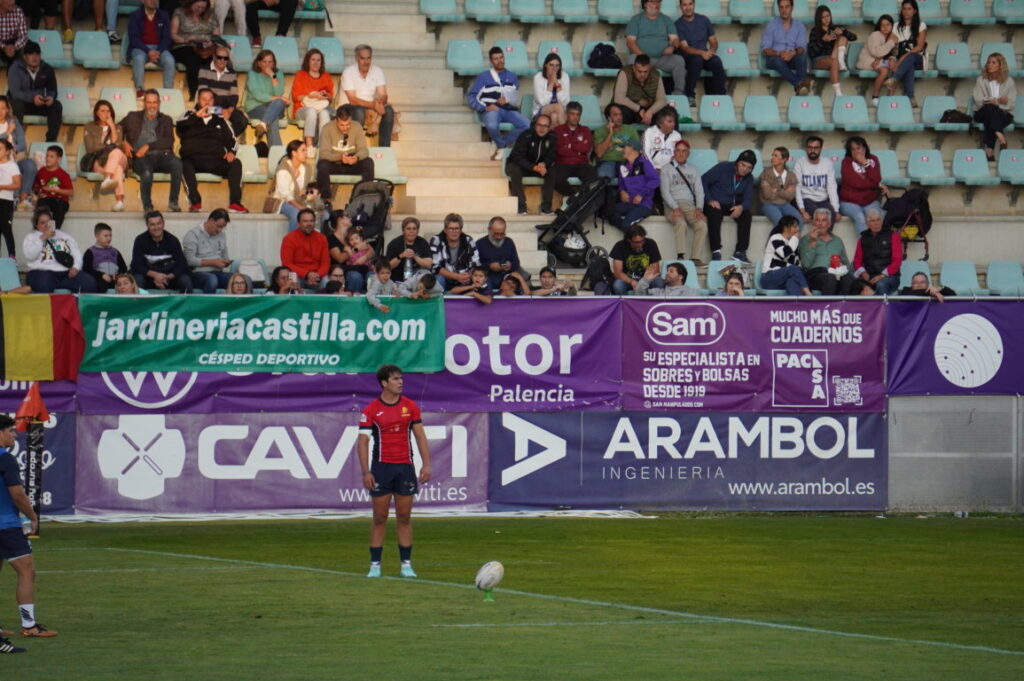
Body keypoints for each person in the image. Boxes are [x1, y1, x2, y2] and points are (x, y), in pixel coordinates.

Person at [358, 364, 431, 578]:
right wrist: (366, 472)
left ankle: (406, 565)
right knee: (380, 517)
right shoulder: (371, 410)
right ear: (384, 383)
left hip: (405, 468)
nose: (401, 382)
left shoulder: (410, 407)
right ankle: (375, 566)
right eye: (396, 379)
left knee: (404, 516)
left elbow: (419, 436)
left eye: (401, 378)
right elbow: (362, 443)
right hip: (381, 469)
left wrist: (426, 464)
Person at [0, 414, 57, 653]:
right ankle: (29, 625)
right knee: (27, 572)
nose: (15, 435)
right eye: (11, 431)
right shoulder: (6, 459)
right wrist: (33, 516)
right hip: (6, 526)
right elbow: (17, 495)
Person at [177, 87, 248, 214]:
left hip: (215, 160)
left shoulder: (220, 119)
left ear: (214, 102)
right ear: (198, 101)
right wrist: (196, 117)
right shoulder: (188, 115)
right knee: (183, 164)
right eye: (204, 99)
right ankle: (195, 202)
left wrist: (232, 152)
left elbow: (233, 142)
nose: (207, 102)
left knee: (236, 164)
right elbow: (180, 127)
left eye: (210, 99)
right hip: (193, 159)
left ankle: (235, 203)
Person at [121, 89, 183, 213]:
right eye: (149, 102)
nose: (152, 105)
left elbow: (168, 141)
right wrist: (123, 142)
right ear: (144, 103)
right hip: (140, 158)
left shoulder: (166, 119)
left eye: (154, 102)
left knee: (177, 163)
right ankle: (148, 207)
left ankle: (173, 202)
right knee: (147, 172)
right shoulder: (132, 117)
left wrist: (148, 146)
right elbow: (118, 128)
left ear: (159, 103)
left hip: (162, 156)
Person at [467, 46, 530, 159]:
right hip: (492, 110)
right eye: (496, 58)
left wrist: (508, 99)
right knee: (491, 125)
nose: (500, 61)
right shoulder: (484, 77)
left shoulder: (512, 77)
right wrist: (484, 107)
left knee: (528, 125)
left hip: (508, 110)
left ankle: (500, 143)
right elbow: (471, 97)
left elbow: (514, 97)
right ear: (491, 61)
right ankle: (502, 144)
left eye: (501, 57)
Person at [22, 207, 96, 292]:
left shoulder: (64, 236)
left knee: (89, 282)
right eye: (42, 223)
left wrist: (76, 267)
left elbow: (77, 253)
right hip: (42, 272)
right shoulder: (31, 237)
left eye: (48, 222)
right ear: (36, 225)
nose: (46, 225)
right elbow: (30, 256)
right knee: (44, 283)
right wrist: (42, 238)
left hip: (65, 274)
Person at [625, 0, 687, 98]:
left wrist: (672, 47)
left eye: (658, 2)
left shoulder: (666, 20)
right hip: (642, 57)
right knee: (632, 59)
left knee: (679, 60)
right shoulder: (636, 20)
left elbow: (675, 39)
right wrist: (643, 56)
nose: (656, 5)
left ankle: (678, 95)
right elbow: (630, 42)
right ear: (645, 4)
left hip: (662, 58)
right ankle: (634, 94)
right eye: (653, 2)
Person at [702, 150, 755, 262]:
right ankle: (716, 251)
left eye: (749, 167)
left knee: (746, 215)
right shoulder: (723, 167)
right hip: (715, 202)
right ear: (737, 163)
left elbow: (749, 200)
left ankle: (740, 252)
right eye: (743, 165)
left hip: (733, 205)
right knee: (714, 213)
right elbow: (703, 180)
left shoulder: (749, 178)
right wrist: (709, 199)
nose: (745, 169)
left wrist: (741, 207)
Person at [659, 139, 707, 264]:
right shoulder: (666, 169)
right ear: (674, 152)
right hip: (672, 205)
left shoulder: (693, 170)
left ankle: (695, 257)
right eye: (678, 151)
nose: (681, 154)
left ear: (688, 154)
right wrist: (675, 207)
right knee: (681, 223)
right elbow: (665, 192)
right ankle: (680, 256)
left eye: (684, 151)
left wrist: (699, 208)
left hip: (689, 205)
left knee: (702, 225)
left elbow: (699, 191)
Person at [340, 45, 395, 148]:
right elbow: (353, 100)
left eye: (368, 58)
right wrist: (374, 105)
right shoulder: (348, 72)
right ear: (356, 58)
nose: (366, 62)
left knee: (389, 111)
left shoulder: (377, 71)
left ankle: (384, 149)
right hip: (348, 106)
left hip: (369, 106)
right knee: (359, 111)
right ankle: (354, 147)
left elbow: (384, 94)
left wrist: (381, 102)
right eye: (362, 58)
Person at [6, 41, 61, 142]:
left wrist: (50, 97)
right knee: (16, 104)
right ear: (24, 56)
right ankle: (17, 139)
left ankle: (50, 141)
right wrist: (32, 98)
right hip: (22, 103)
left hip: (39, 103)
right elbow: (15, 93)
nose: (35, 57)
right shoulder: (15, 68)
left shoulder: (47, 68)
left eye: (37, 54)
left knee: (56, 106)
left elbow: (52, 89)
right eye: (31, 54)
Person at [674, 0, 726, 105]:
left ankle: (720, 95)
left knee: (716, 61)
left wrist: (711, 51)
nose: (688, 7)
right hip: (687, 56)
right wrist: (702, 53)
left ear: (694, 5)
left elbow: (713, 41)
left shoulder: (704, 20)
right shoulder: (677, 24)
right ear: (680, 7)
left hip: (704, 53)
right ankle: (689, 96)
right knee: (696, 60)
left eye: (690, 4)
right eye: (684, 5)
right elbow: (685, 48)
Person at [316, 107, 374, 201]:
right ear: (336, 121)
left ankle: (363, 196)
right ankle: (326, 198)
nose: (345, 128)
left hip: (352, 162)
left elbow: (364, 150)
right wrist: (339, 157)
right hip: (335, 163)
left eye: (348, 124)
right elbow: (323, 154)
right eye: (342, 125)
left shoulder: (357, 126)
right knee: (322, 165)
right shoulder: (327, 128)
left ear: (351, 119)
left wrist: (356, 157)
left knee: (368, 162)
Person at [82, 99, 129, 212]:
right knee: (117, 168)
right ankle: (119, 201)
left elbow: (117, 144)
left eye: (108, 111)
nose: (106, 114)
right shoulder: (89, 127)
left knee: (116, 152)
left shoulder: (118, 127)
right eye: (102, 111)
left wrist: (112, 126)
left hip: (118, 158)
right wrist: (109, 146)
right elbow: (90, 148)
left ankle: (108, 178)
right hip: (99, 161)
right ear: (96, 113)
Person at [505, 113, 556, 215]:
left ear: (549, 127)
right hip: (520, 165)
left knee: (552, 171)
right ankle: (521, 206)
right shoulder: (526, 135)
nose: (542, 129)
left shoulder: (552, 137)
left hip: (537, 167)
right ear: (535, 125)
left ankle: (546, 207)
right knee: (515, 170)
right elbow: (517, 157)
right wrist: (533, 167)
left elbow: (552, 155)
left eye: (545, 126)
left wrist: (544, 164)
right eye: (539, 125)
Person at [131, 210, 193, 292]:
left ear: (163, 223)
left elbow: (182, 264)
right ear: (147, 225)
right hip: (149, 277)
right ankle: (141, 305)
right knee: (138, 280)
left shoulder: (172, 240)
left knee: (185, 281)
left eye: (158, 223)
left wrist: (168, 276)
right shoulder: (140, 240)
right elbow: (136, 264)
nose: (156, 227)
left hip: (169, 278)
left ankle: (185, 305)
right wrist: (155, 275)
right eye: (152, 224)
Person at [170, 0, 220, 100]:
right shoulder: (180, 13)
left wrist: (211, 42)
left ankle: (212, 94)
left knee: (215, 59)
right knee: (193, 59)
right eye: (197, 7)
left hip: (204, 46)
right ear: (191, 3)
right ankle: (194, 93)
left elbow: (216, 35)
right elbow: (173, 34)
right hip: (183, 45)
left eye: (203, 8)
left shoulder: (210, 15)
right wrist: (186, 40)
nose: (200, 10)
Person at [197, 43, 248, 138]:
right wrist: (221, 110)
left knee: (242, 120)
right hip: (207, 106)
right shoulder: (204, 69)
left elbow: (234, 95)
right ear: (214, 57)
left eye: (226, 58)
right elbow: (204, 94)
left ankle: (225, 139)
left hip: (226, 106)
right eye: (220, 57)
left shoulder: (231, 73)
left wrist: (229, 110)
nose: (223, 60)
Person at [798, 208, 854, 295]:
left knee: (848, 278)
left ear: (829, 224)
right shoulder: (805, 239)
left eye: (824, 220)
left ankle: (844, 307)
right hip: (815, 275)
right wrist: (813, 241)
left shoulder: (837, 240)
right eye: (817, 220)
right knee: (829, 278)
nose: (820, 223)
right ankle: (828, 307)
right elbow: (806, 265)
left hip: (835, 274)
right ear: (813, 223)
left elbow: (846, 262)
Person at [127, 0, 176, 98]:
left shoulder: (164, 15)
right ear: (143, 1)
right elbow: (133, 39)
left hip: (159, 48)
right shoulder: (135, 15)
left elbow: (166, 38)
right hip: (140, 47)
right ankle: (140, 90)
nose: (153, 1)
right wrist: (148, 51)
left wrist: (158, 51)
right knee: (139, 58)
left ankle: (168, 92)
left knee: (170, 60)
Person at [973, 53, 1016, 161]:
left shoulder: (1009, 81)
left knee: (992, 112)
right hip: (982, 112)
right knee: (990, 109)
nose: (989, 65)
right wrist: (998, 101)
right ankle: (1000, 137)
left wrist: (995, 102)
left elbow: (1011, 103)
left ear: (1000, 65)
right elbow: (978, 100)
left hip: (1004, 114)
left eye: (993, 63)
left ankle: (990, 151)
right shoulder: (981, 80)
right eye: (988, 62)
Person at [761, 0, 809, 95]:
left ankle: (800, 90)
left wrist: (793, 53)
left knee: (801, 57)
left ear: (792, 8)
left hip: (792, 57)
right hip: (775, 58)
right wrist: (779, 53)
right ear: (778, 9)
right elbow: (765, 50)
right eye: (781, 7)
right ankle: (800, 85)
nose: (784, 10)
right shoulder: (772, 25)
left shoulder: (799, 26)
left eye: (787, 7)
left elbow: (802, 47)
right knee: (777, 61)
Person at [839, 136, 886, 234]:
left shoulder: (873, 159)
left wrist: (865, 163)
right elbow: (855, 183)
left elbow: (877, 178)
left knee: (876, 218)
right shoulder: (846, 162)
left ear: (864, 148)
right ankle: (866, 246)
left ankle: (878, 246)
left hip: (869, 200)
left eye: (858, 148)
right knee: (860, 217)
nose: (856, 152)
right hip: (850, 201)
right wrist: (874, 184)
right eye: (853, 149)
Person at [807, 5, 856, 98]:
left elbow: (854, 37)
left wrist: (843, 32)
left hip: (833, 57)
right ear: (819, 19)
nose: (826, 19)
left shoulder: (834, 28)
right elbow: (812, 53)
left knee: (842, 38)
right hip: (819, 60)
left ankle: (841, 62)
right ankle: (838, 94)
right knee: (833, 61)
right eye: (823, 17)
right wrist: (823, 40)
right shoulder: (815, 31)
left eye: (828, 16)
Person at [551, 101, 596, 200]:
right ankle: (575, 195)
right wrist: (578, 149)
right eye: (572, 114)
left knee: (593, 176)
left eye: (578, 114)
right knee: (555, 179)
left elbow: (586, 148)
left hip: (581, 164)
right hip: (563, 163)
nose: (575, 117)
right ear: (567, 115)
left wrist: (569, 145)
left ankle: (580, 196)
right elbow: (560, 150)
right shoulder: (558, 130)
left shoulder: (585, 130)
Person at [292, 48, 334, 152]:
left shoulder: (326, 76)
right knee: (311, 111)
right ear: (308, 61)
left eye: (318, 60)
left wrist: (325, 95)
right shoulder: (300, 74)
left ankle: (322, 146)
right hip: (302, 108)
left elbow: (330, 98)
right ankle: (309, 146)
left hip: (320, 107)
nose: (315, 63)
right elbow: (296, 97)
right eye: (313, 60)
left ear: (322, 62)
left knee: (325, 113)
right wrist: (311, 96)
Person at [852, 208, 901, 295]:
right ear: (867, 224)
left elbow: (897, 261)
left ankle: (881, 309)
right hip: (870, 277)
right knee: (854, 286)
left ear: (882, 221)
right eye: (873, 221)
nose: (876, 223)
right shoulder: (863, 238)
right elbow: (857, 261)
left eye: (878, 220)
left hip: (890, 277)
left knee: (881, 285)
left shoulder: (893, 236)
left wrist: (882, 276)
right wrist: (863, 273)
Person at [245, 49, 289, 148]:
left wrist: (272, 76)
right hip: (256, 107)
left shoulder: (279, 74)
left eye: (270, 62)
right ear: (259, 63)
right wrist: (278, 98)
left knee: (277, 104)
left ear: (274, 64)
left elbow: (279, 92)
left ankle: (263, 124)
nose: (267, 65)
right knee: (272, 119)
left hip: (275, 107)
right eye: (264, 62)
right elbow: (257, 95)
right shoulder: (252, 74)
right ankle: (277, 154)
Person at [613, 139, 659, 231]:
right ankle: (632, 235)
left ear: (633, 149)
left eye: (625, 147)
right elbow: (621, 183)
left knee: (626, 225)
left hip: (643, 205)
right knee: (608, 212)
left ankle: (635, 238)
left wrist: (641, 195)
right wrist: (622, 191)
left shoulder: (644, 163)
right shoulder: (623, 165)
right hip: (629, 204)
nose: (623, 150)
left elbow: (655, 180)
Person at [183, 207, 231, 293]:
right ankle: (207, 306)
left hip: (218, 272)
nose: (220, 230)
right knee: (212, 280)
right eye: (218, 226)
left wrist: (226, 262)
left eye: (223, 227)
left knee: (241, 280)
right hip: (198, 274)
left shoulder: (222, 235)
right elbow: (189, 260)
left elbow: (225, 255)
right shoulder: (193, 234)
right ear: (211, 220)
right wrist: (213, 262)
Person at [760, 216, 812, 295]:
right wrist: (795, 238)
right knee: (793, 269)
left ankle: (799, 306)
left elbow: (797, 265)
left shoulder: (792, 243)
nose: (797, 229)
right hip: (769, 278)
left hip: (783, 279)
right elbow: (784, 254)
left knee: (792, 282)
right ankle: (809, 296)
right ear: (785, 228)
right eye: (794, 226)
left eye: (797, 226)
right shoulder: (776, 238)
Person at [613, 53, 668, 126]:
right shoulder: (624, 73)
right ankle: (620, 137)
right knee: (620, 112)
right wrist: (639, 109)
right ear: (634, 68)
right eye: (639, 71)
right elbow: (619, 99)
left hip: (648, 109)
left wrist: (650, 112)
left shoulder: (656, 75)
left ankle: (669, 137)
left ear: (650, 69)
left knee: (669, 112)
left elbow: (662, 100)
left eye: (646, 72)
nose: (642, 75)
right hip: (629, 108)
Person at [279, 208, 329, 289]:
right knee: (292, 281)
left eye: (311, 221)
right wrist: (307, 274)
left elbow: (325, 263)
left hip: (317, 275)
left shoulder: (322, 238)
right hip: (296, 274)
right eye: (305, 221)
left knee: (327, 282)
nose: (309, 224)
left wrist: (317, 276)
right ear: (298, 223)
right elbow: (286, 264)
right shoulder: (289, 239)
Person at [0, 94, 35, 208]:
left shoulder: (14, 122)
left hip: (13, 161)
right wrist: (8, 133)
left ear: (8, 110)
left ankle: (23, 198)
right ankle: (13, 198)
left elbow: (22, 144)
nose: (0, 111)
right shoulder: (10, 128)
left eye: (3, 108)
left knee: (29, 165)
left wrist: (14, 149)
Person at [794, 135, 839, 225]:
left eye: (816, 148)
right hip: (806, 199)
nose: (813, 150)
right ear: (806, 148)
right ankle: (820, 238)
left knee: (831, 214)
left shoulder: (827, 163)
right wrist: (802, 210)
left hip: (823, 200)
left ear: (821, 149)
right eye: (810, 147)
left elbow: (832, 187)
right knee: (820, 215)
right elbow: (797, 188)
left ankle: (824, 237)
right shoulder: (800, 163)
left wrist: (836, 210)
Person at [430, 213, 480, 291]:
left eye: (457, 228)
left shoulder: (468, 240)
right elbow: (435, 267)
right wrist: (456, 276)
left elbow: (476, 264)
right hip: (445, 278)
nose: (454, 231)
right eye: (451, 228)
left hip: (465, 278)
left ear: (461, 230)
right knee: (438, 279)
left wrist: (468, 276)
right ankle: (438, 302)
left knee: (480, 279)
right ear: (445, 230)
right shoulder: (437, 240)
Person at [270, 140, 311, 232]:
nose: (306, 153)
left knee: (323, 214)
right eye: (303, 150)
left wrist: (309, 195)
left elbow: (310, 187)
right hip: (283, 202)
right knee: (296, 214)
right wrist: (301, 208)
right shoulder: (283, 169)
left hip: (301, 200)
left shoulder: (307, 168)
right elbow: (286, 195)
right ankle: (293, 243)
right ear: (294, 153)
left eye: (306, 150)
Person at [610, 224, 663, 295]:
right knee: (618, 285)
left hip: (647, 279)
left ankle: (652, 304)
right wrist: (632, 282)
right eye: (637, 242)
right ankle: (625, 305)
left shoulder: (651, 244)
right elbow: (618, 274)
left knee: (659, 282)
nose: (640, 244)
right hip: (628, 280)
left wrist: (644, 282)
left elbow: (656, 271)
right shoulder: (620, 246)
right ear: (629, 240)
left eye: (642, 241)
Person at [891, 0, 926, 108]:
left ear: (915, 11)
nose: (906, 12)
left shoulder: (921, 25)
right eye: (904, 9)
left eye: (909, 9)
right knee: (909, 66)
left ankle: (894, 79)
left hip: (918, 58)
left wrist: (904, 57)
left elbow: (919, 46)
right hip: (904, 61)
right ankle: (911, 97)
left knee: (910, 57)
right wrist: (892, 58)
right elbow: (892, 45)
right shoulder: (896, 26)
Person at [858, 14, 899, 106]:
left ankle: (889, 97)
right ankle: (875, 97)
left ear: (892, 25)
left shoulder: (893, 36)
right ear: (879, 26)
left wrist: (892, 59)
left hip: (880, 61)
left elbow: (895, 52)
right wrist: (891, 42)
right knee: (884, 71)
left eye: (888, 25)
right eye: (882, 25)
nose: (885, 27)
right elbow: (876, 52)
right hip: (868, 61)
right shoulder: (875, 35)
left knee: (896, 69)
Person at [593, 102, 641, 179]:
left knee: (633, 178)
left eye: (620, 114)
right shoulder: (600, 131)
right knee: (602, 177)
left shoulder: (630, 129)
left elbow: (637, 151)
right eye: (615, 115)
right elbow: (599, 153)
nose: (619, 117)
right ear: (608, 117)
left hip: (626, 162)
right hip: (607, 162)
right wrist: (610, 134)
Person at [759, 145, 801, 228]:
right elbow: (767, 195)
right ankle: (776, 240)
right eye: (772, 155)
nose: (772, 158)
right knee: (779, 221)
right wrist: (784, 191)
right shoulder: (765, 174)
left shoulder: (791, 176)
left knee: (798, 220)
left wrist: (775, 189)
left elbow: (790, 197)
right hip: (769, 204)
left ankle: (793, 241)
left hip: (785, 204)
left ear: (784, 159)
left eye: (776, 156)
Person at [476, 216, 521, 290]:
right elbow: (476, 265)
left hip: (506, 277)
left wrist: (510, 265)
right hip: (487, 277)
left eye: (502, 234)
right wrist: (489, 266)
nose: (499, 237)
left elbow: (516, 262)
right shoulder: (480, 243)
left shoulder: (509, 242)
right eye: (496, 234)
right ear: (489, 230)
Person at [384, 216, 433, 285]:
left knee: (427, 274)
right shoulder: (394, 243)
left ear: (418, 231)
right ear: (403, 231)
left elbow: (429, 265)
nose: (411, 231)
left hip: (417, 278)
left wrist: (415, 257)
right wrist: (401, 256)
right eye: (408, 229)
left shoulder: (423, 243)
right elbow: (387, 267)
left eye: (414, 229)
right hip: (397, 278)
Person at [82, 222, 128, 293]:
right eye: (106, 236)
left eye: (110, 236)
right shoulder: (90, 252)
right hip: (100, 279)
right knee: (101, 283)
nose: (109, 238)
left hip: (114, 278)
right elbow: (86, 269)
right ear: (97, 236)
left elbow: (123, 267)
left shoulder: (115, 251)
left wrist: (117, 275)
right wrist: (101, 275)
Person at [532, 52, 571, 127]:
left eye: (557, 66)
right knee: (558, 107)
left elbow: (565, 102)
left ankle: (551, 138)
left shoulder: (565, 76)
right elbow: (542, 103)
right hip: (542, 111)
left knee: (554, 116)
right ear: (545, 65)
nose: (554, 69)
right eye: (551, 65)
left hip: (560, 113)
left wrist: (557, 84)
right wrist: (551, 84)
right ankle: (567, 135)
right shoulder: (538, 77)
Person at [642, 107, 681, 171]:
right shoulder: (649, 132)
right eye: (669, 121)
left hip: (669, 171)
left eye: (674, 122)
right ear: (660, 123)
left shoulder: (677, 135)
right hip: (652, 170)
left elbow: (678, 155)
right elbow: (645, 153)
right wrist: (653, 170)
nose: (673, 124)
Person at [636, 261, 700, 296]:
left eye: (671, 271)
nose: (667, 273)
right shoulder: (658, 292)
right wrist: (645, 280)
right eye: (667, 271)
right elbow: (639, 295)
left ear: (680, 276)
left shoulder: (691, 292)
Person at [343, 228, 375, 294]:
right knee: (356, 277)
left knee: (371, 276)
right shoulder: (349, 249)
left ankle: (372, 294)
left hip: (367, 268)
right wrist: (353, 251)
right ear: (349, 242)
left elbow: (372, 252)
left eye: (356, 238)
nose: (354, 241)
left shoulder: (365, 244)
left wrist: (366, 257)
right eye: (351, 240)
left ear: (360, 239)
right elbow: (352, 259)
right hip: (355, 269)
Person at [0, 138, 17, 258]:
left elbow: (17, 184)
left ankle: (12, 256)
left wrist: (2, 187)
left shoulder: (12, 166)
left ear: (7, 151)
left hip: (6, 201)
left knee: (6, 229)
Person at [0, 0, 27, 67]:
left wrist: (14, 47)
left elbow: (23, 36)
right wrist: (4, 47)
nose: (13, 2)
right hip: (1, 44)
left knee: (32, 47)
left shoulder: (18, 11)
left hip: (14, 43)